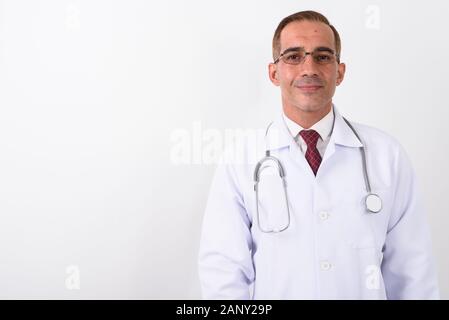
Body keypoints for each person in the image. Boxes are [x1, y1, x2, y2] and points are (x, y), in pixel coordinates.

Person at [198, 10, 439, 299]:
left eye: (323, 56)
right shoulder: (240, 160)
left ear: (340, 71)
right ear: (274, 73)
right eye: (293, 56)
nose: (308, 68)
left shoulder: (387, 156)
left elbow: (413, 274)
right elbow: (223, 276)